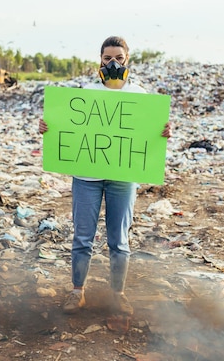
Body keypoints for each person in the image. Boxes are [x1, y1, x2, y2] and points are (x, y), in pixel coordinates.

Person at [39, 36, 171, 315]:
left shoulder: (140, 95)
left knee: (119, 240)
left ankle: (118, 295)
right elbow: (64, 125)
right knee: (82, 237)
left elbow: (147, 132)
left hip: (123, 178)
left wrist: (162, 132)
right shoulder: (85, 93)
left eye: (118, 58)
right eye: (108, 58)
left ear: (127, 61)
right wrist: (47, 127)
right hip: (86, 177)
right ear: (100, 60)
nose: (113, 63)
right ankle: (77, 293)